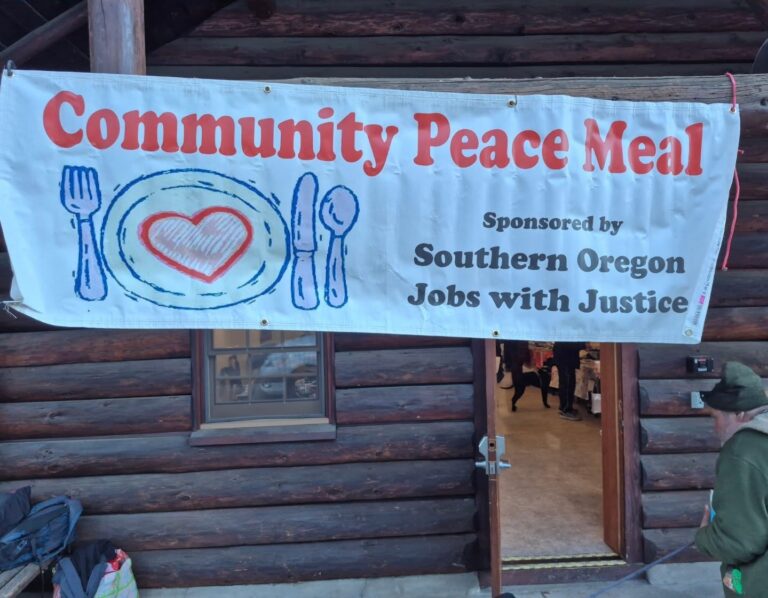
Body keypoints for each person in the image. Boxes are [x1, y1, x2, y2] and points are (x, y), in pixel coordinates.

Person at [695, 361, 768, 597]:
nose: (714, 428)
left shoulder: (742, 451)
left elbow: (740, 542)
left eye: (715, 417)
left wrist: (705, 537)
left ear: (740, 414)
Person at [553, 341, 584, 421]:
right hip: (565, 359)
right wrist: (583, 344)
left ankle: (565, 407)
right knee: (567, 384)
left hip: (565, 358)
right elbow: (570, 344)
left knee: (567, 383)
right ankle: (566, 410)